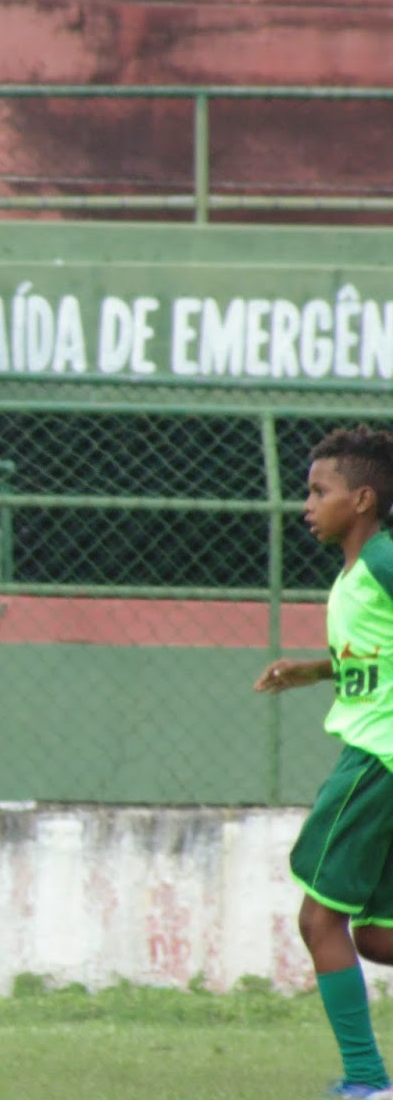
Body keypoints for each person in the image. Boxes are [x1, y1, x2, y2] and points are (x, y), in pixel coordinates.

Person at [256, 424, 393, 1100]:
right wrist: (314, 670)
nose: (306, 505)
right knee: (376, 938)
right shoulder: (356, 572)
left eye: (319, 491)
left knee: (319, 921)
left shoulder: (383, 561)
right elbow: (376, 661)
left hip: (376, 760)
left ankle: (366, 1082)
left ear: (362, 499)